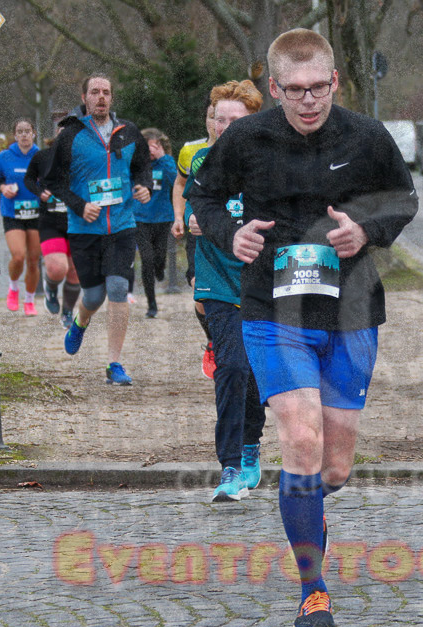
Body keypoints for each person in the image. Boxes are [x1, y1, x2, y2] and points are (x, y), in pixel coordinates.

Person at [189, 29, 418, 627]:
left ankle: (311, 511)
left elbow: (405, 199)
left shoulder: (368, 137)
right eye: (294, 91)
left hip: (351, 312)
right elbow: (203, 195)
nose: (308, 101)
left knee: (334, 466)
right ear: (274, 89)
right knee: (300, 440)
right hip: (270, 312)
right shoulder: (246, 138)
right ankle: (312, 594)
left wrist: (367, 231)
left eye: (318, 88)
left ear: (335, 81)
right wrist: (226, 236)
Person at [182, 80, 268, 503]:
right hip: (217, 281)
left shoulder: (270, 160)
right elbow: (191, 206)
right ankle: (230, 466)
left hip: (262, 283)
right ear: (211, 122)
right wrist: (194, 221)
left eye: (235, 120)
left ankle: (252, 442)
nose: (226, 126)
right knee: (231, 368)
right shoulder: (200, 160)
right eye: (220, 118)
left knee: (255, 373)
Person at [45, 73, 152, 386]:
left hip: (121, 225)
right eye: (95, 92)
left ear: (112, 98)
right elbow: (52, 180)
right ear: (85, 98)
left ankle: (114, 364)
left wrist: (143, 185)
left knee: (118, 288)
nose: (101, 97)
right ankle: (80, 321)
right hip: (85, 228)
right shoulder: (70, 135)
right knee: (93, 295)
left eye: (106, 92)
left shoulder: (129, 132)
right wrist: (79, 205)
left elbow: (142, 166)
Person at [172, 94, 217, 378]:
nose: (218, 124)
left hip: (236, 230)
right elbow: (180, 184)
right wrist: (179, 216)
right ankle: (213, 343)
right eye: (213, 116)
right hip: (199, 232)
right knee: (201, 293)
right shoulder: (191, 152)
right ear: (206, 119)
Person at [24, 127, 82, 328]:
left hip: (77, 221)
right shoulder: (42, 157)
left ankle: (67, 311)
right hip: (51, 221)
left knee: (75, 271)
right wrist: (40, 192)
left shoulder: (84, 159)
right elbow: (28, 179)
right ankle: (50, 286)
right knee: (58, 268)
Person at [0, 118, 42, 316]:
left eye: (27, 131)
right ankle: (13, 288)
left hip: (36, 213)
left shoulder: (41, 156)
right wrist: (4, 188)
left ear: (34, 133)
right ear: (15, 135)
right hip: (13, 212)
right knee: (18, 255)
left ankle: (29, 300)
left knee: (33, 259)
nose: (24, 135)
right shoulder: (5, 157)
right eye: (20, 131)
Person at [134, 128, 177, 318]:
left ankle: (160, 269)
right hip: (140, 219)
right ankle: (151, 304)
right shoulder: (136, 166)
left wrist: (164, 157)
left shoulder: (166, 163)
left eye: (155, 146)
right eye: (148, 146)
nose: (151, 150)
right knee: (147, 259)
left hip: (163, 218)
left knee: (160, 257)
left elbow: (177, 181)